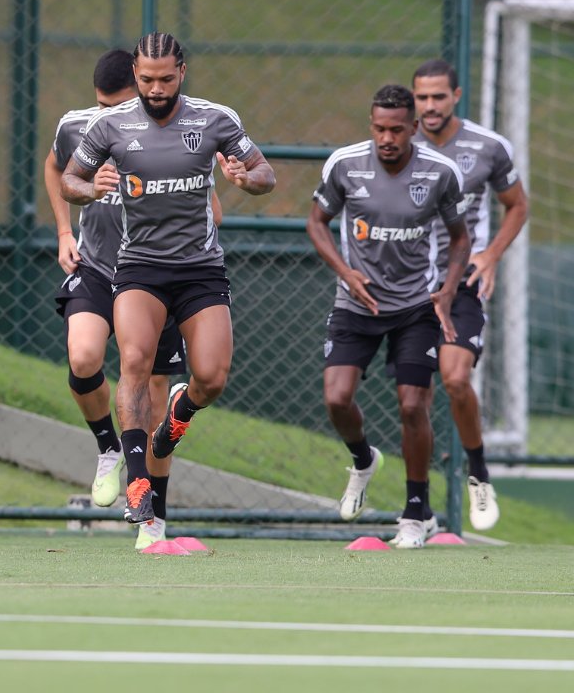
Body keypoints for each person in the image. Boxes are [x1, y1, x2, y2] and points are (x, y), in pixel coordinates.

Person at [61, 32, 275, 525]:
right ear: (134, 76)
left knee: (212, 378)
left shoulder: (216, 119)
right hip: (139, 267)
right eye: (145, 80)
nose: (155, 89)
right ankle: (138, 485)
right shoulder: (110, 126)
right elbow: (69, 179)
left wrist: (247, 179)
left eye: (164, 79)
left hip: (199, 266)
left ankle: (178, 415)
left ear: (182, 72)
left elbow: (266, 173)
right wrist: (90, 188)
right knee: (134, 361)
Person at [44, 49, 222, 549]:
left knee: (153, 394)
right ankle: (108, 447)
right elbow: (56, 169)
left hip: (157, 275)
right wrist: (64, 228)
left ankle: (153, 523)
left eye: (117, 104)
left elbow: (212, 209)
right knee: (83, 357)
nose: (108, 115)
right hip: (101, 267)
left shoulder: (173, 131)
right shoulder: (83, 127)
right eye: (101, 104)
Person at [307, 84, 470, 549]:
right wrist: (345, 272)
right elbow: (316, 222)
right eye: (379, 128)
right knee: (337, 399)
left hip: (416, 307)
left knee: (413, 405)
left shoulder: (440, 173)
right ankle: (363, 461)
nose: (386, 138)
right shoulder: (344, 164)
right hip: (356, 303)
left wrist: (447, 292)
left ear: (414, 129)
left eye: (396, 129)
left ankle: (415, 513)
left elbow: (460, 238)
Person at [412, 59, 528, 531]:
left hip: (462, 282)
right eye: (422, 98)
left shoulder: (488, 147)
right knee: (413, 398)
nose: (430, 106)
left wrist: (493, 254)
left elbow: (517, 206)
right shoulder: (400, 143)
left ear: (456, 95)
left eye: (439, 97)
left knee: (456, 378)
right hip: (409, 285)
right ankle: (418, 508)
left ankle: (478, 473)